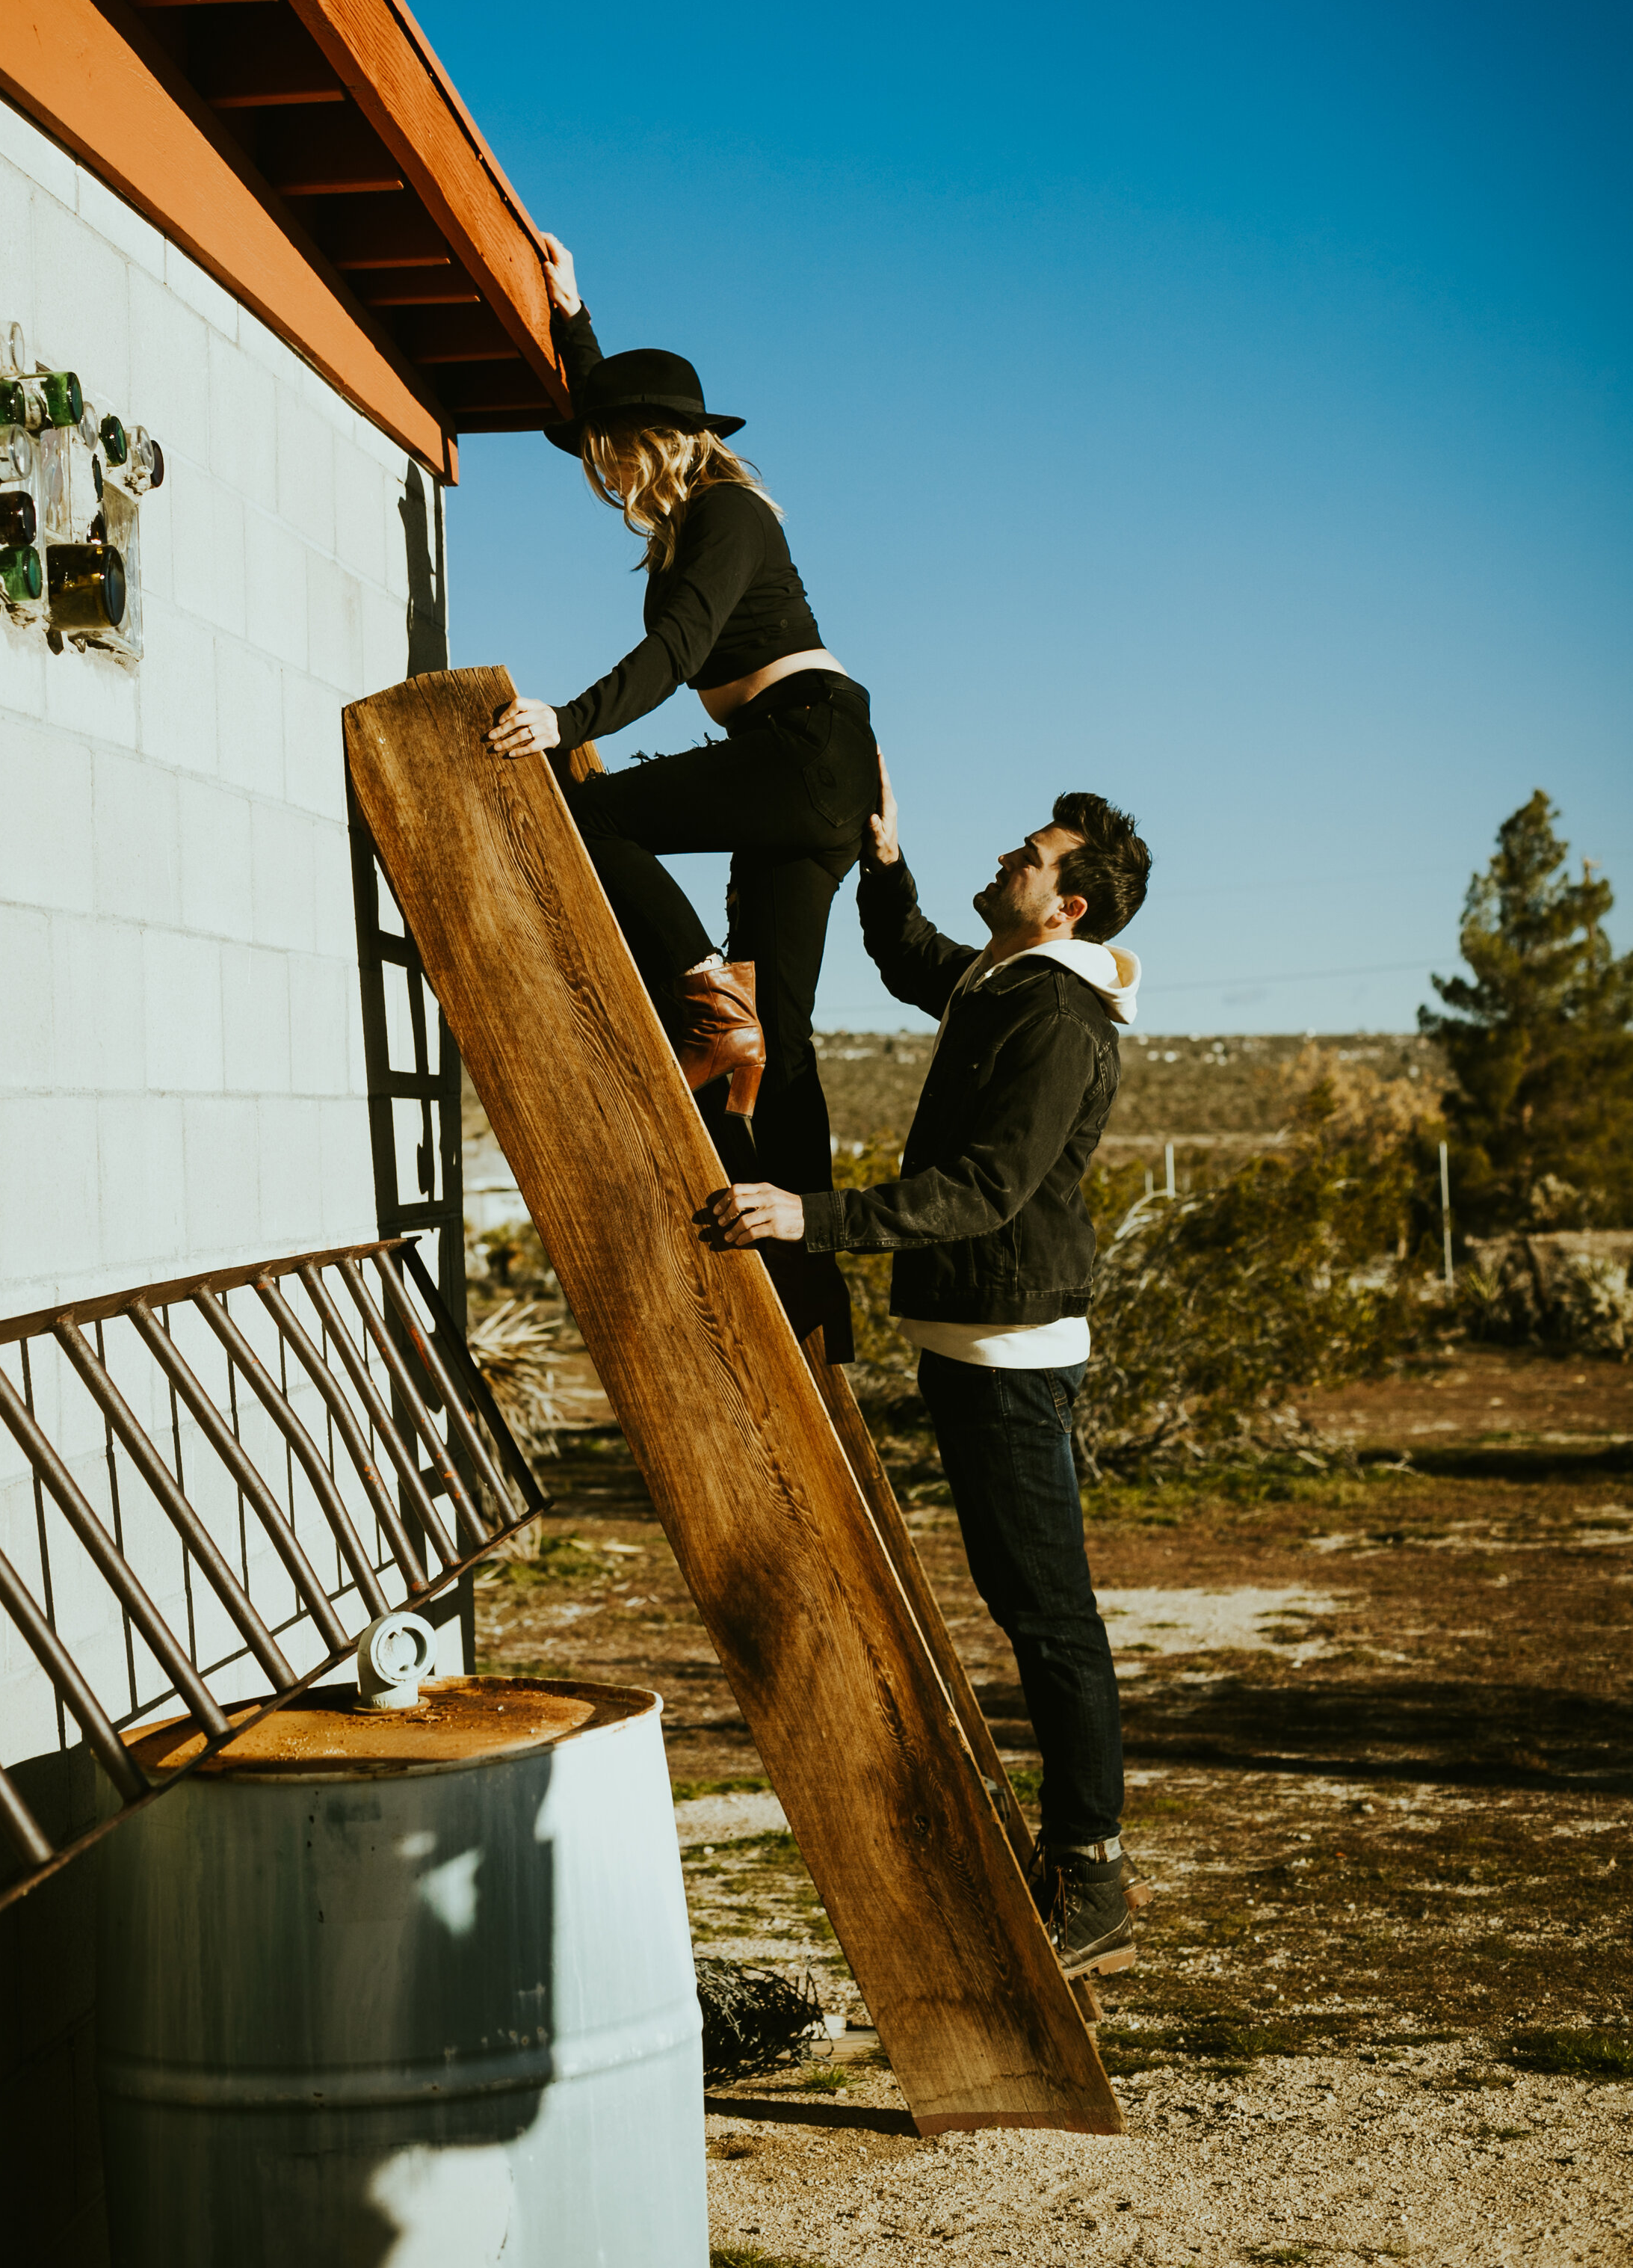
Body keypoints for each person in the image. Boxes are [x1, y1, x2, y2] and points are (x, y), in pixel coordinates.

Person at [706, 757, 1152, 1979]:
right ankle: (1079, 1857)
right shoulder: (1006, 978)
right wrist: (884, 860)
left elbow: (986, 1191)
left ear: (1069, 905)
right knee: (1029, 1601)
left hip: (1012, 1354)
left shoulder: (1058, 1017)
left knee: (1048, 1612)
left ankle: (1097, 1872)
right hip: (971, 1345)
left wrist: (813, 1217)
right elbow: (911, 958)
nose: (1010, 858)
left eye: (1032, 855)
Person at [485, 235, 875, 1349]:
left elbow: (677, 646)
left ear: (644, 446)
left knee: (588, 809)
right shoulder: (705, 509)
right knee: (784, 1042)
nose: (600, 476)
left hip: (799, 751)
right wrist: (572, 317)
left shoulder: (726, 516)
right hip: (821, 760)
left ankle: (705, 991)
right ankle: (815, 1309)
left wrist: (571, 719)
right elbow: (614, 391)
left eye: (606, 455)